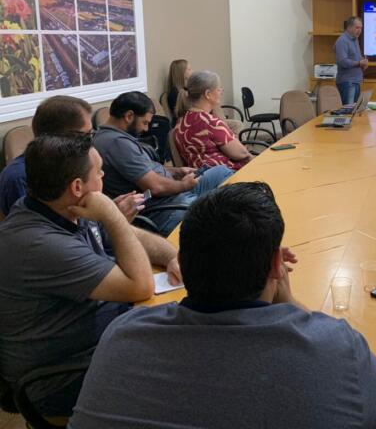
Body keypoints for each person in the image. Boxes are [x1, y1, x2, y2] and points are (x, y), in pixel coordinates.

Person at [69, 182, 376, 428]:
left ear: (181, 262)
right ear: (276, 267)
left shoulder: (121, 337)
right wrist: (290, 302)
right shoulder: (337, 350)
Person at [0, 134, 181, 417]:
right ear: (77, 186)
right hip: (60, 380)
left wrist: (172, 256)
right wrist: (112, 214)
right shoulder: (39, 242)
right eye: (99, 171)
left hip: (99, 340)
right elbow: (141, 286)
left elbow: (132, 237)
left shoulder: (59, 206)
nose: (104, 175)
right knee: (187, 369)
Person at [93, 92, 233, 236]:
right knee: (224, 206)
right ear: (129, 116)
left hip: (173, 195)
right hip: (166, 210)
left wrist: (176, 171)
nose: (146, 129)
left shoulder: (114, 137)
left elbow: (146, 169)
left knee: (222, 172)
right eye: (145, 123)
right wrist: (184, 185)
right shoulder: (117, 143)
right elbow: (155, 187)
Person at [0, 95, 143, 220]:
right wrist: (112, 219)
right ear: (60, 138)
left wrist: (110, 208)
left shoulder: (66, 165)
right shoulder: (18, 177)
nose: (90, 143)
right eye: (86, 136)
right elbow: (47, 237)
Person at [174, 71, 252, 170]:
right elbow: (242, 154)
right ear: (207, 94)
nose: (221, 93)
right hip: (226, 177)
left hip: (201, 177)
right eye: (219, 89)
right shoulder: (210, 122)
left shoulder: (181, 122)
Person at [335, 16, 368, 105]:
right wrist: (359, 63)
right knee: (348, 111)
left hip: (356, 81)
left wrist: (363, 62)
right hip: (347, 83)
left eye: (361, 28)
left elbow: (356, 57)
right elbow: (342, 61)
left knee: (355, 110)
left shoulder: (354, 40)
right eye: (357, 28)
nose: (359, 30)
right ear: (349, 27)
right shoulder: (342, 41)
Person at [165, 59, 191, 125]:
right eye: (189, 69)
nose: (192, 71)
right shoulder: (175, 93)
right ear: (182, 72)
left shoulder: (186, 88)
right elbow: (182, 113)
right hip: (182, 123)